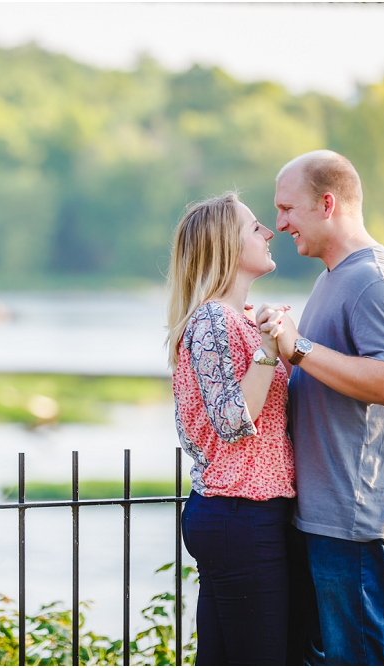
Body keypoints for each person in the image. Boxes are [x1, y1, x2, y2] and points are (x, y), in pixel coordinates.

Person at [259, 150, 384, 665]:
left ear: (327, 203)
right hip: (323, 520)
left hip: (354, 522)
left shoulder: (375, 280)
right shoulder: (333, 276)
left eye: (287, 209)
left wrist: (299, 347)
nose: (279, 223)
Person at [165, 192, 296, 665]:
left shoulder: (238, 319)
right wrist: (267, 348)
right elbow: (234, 421)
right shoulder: (214, 321)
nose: (268, 233)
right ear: (227, 245)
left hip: (239, 515)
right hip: (240, 514)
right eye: (255, 226)